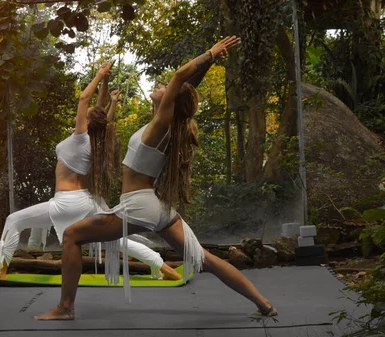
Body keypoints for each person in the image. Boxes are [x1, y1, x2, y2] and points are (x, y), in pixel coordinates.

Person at [35, 36, 277, 321]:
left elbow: (179, 77)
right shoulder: (165, 125)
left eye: (165, 88)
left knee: (72, 235)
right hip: (157, 209)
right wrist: (207, 66)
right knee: (206, 260)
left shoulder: (161, 125)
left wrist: (210, 54)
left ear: (171, 101)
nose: (162, 86)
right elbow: (186, 87)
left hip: (139, 206)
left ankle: (65, 307)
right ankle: (264, 303)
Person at [0, 62, 181, 281]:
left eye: (86, 114)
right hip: (86, 201)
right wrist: (107, 84)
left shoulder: (82, 137)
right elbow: (100, 111)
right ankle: (162, 266)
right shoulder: (94, 140)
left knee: (14, 220)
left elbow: (84, 99)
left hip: (67, 202)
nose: (84, 112)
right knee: (114, 240)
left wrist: (99, 75)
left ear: (87, 122)